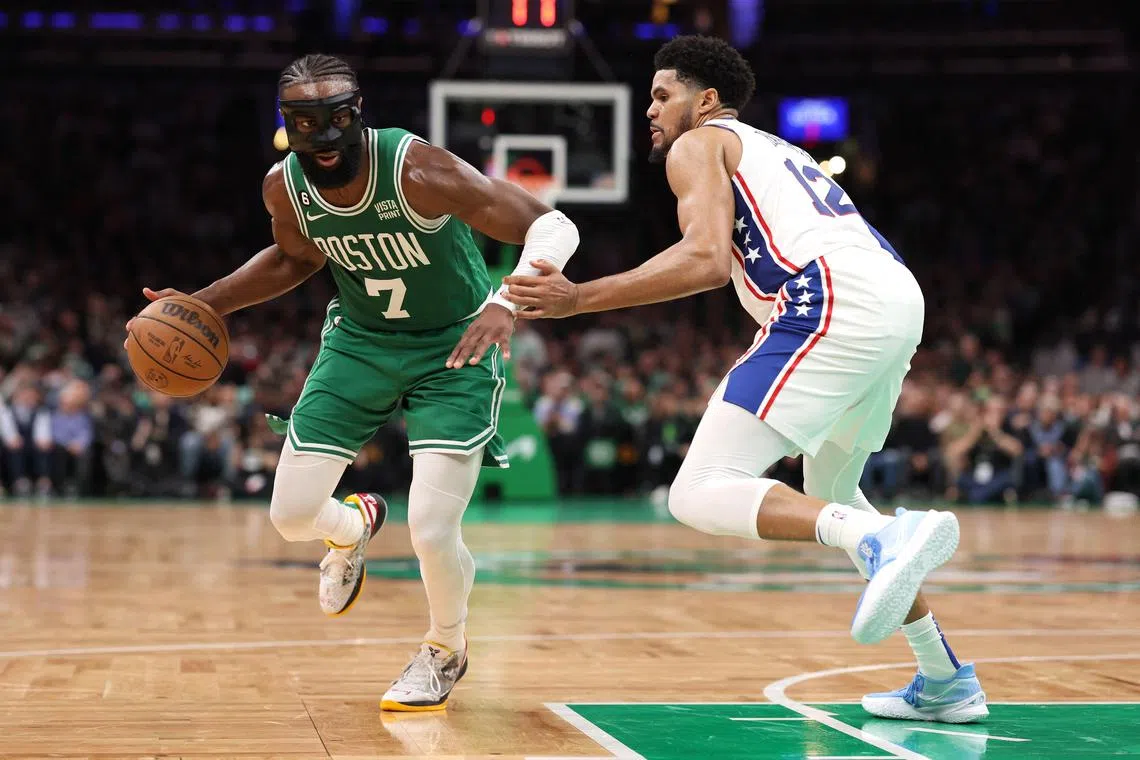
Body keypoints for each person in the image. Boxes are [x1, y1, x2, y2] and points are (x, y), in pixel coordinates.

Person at [503, 36, 986, 723]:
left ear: (705, 101)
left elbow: (703, 259)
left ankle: (883, 538)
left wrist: (579, 298)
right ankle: (944, 677)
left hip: (829, 297)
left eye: (662, 95)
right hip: (895, 296)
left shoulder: (698, 144)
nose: (650, 110)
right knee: (832, 492)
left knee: (697, 490)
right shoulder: (778, 149)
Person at [124, 54, 580, 711]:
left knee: (431, 528)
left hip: (456, 345)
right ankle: (350, 526)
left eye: (337, 118)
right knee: (289, 517)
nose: (325, 136)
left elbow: (553, 224)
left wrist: (507, 300)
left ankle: (444, 649)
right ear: (287, 124)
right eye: (306, 122)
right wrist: (201, 303)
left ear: (358, 112)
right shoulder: (285, 187)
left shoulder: (419, 170)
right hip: (361, 342)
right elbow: (294, 258)